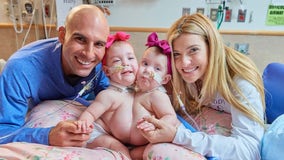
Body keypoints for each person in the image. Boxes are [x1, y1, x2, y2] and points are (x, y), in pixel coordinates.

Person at [138, 13, 265, 160]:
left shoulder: (240, 81)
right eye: (177, 54)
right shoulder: (182, 75)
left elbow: (248, 150)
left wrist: (178, 136)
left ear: (211, 46)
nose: (184, 63)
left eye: (193, 50)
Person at [0, 4, 110, 147]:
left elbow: (113, 97)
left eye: (99, 44)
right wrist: (46, 136)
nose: (89, 53)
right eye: (80, 39)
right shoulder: (21, 69)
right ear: (62, 35)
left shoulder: (100, 64)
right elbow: (3, 132)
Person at [76, 32, 179, 160]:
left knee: (145, 152)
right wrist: (82, 124)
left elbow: (170, 116)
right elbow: (90, 114)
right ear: (107, 71)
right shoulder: (109, 95)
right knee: (120, 149)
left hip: (138, 143)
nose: (126, 64)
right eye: (117, 60)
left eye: (130, 58)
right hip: (105, 136)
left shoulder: (150, 94)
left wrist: (156, 125)